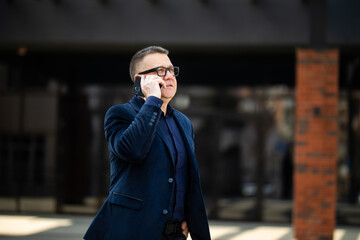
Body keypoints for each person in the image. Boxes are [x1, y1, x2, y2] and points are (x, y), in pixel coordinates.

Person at [84, 46, 211, 240]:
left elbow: (185, 179)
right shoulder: (119, 114)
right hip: (130, 233)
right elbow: (132, 150)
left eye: (171, 70)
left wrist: (186, 221)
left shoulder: (184, 122)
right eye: (160, 71)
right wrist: (153, 99)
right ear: (140, 80)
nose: (169, 76)